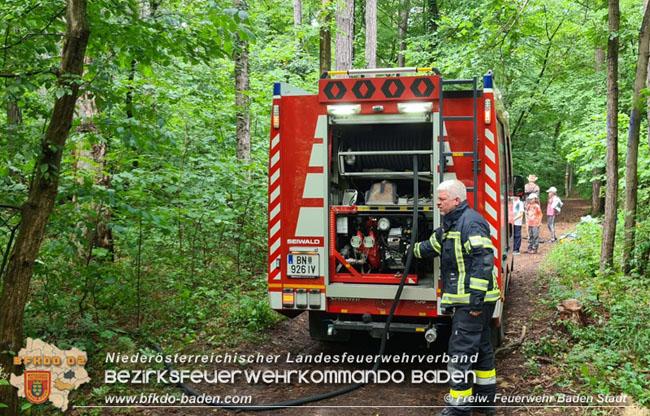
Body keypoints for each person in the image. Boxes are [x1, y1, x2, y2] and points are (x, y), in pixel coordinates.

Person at [412, 179, 499, 416]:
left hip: (472, 303)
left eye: (441, 199)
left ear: (456, 200)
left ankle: (458, 409)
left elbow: (483, 261)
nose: (437, 203)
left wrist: (475, 302)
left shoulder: (471, 224)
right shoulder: (452, 224)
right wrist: (409, 250)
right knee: (481, 349)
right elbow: (432, 245)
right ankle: (484, 403)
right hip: (475, 302)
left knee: (460, 353)